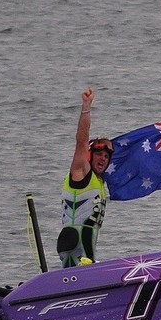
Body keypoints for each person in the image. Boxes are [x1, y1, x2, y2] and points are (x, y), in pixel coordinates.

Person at [57, 88, 113, 267]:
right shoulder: (80, 172)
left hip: (87, 258)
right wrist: (86, 107)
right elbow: (81, 140)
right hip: (73, 256)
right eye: (98, 154)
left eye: (106, 156)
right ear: (90, 156)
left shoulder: (99, 183)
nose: (102, 159)